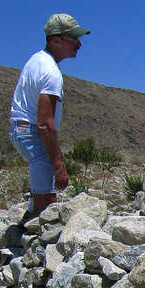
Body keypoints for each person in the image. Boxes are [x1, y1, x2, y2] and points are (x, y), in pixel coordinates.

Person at [8, 13, 90, 220]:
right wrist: (59, 166)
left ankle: (26, 229)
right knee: (44, 208)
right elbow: (45, 123)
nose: (79, 44)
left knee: (45, 196)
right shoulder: (51, 72)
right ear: (56, 40)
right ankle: (31, 243)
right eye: (73, 39)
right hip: (33, 134)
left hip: (22, 130)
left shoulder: (36, 60)